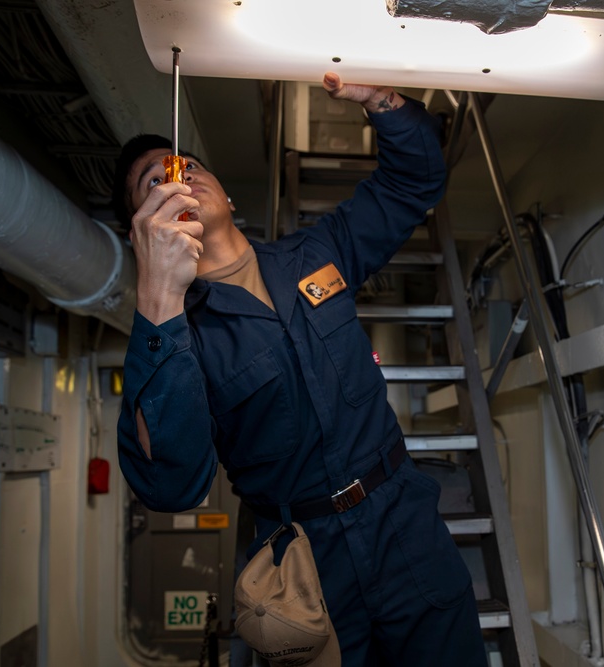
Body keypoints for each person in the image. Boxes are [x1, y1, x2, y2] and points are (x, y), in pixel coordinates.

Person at [114, 72, 487, 666]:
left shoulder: (318, 255)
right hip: (304, 563)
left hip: (401, 523)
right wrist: (158, 296)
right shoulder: (177, 337)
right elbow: (170, 487)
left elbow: (414, 181)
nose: (174, 177)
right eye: (153, 184)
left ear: (226, 197)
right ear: (145, 230)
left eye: (185, 165)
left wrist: (382, 102)